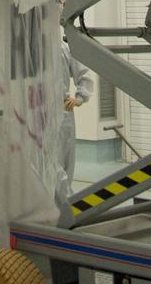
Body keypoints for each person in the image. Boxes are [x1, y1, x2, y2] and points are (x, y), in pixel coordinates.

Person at [56, 33, 95, 205]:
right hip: (38, 110)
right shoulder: (33, 47)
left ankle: (63, 205)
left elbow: (84, 74)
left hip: (61, 110)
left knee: (63, 161)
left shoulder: (63, 47)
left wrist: (80, 98)